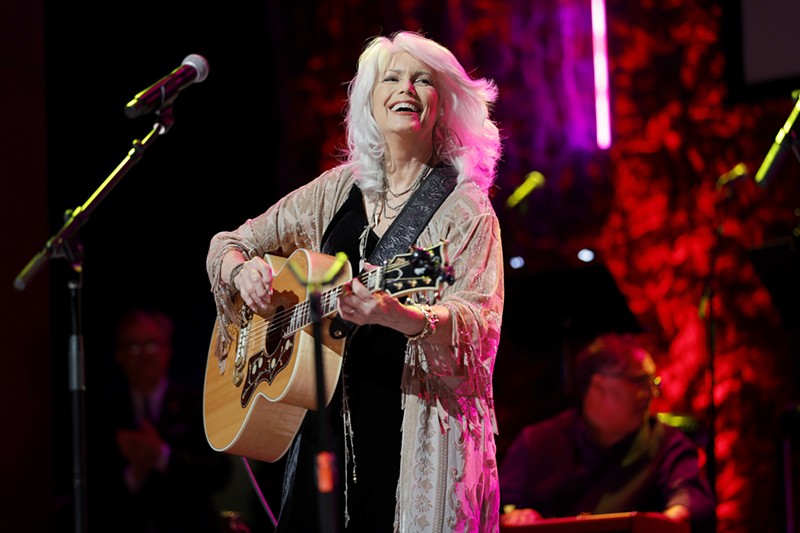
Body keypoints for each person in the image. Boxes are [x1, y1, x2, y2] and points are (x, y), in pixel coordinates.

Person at [206, 30, 504, 532]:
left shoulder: (464, 208)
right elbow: (229, 242)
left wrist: (402, 315)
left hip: (410, 429)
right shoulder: (337, 190)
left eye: (423, 80)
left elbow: (479, 318)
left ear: (445, 104)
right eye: (392, 78)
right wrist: (244, 272)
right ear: (370, 97)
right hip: (323, 439)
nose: (406, 89)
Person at [498, 333, 716, 532]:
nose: (651, 393)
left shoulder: (666, 443)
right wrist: (512, 516)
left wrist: (674, 516)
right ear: (598, 385)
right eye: (640, 381)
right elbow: (495, 507)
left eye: (652, 382)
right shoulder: (536, 442)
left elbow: (690, 498)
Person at [89, 308, 232, 532]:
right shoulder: (105, 413)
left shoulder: (196, 404)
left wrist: (162, 456)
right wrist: (134, 474)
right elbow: (93, 490)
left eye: (152, 344)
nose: (145, 355)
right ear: (120, 355)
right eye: (134, 346)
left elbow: (219, 473)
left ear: (168, 350)